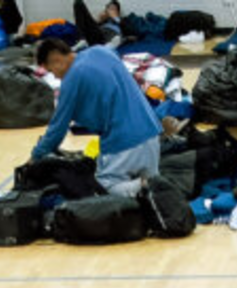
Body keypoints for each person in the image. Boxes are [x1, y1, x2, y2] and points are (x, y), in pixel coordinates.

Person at [31, 36, 161, 194]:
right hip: (152, 132)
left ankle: (146, 186)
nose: (55, 77)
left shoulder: (71, 80)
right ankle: (152, 185)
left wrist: (36, 156)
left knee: (104, 186)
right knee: (151, 192)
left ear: (56, 58)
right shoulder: (101, 51)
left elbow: (57, 128)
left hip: (124, 142)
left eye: (51, 71)